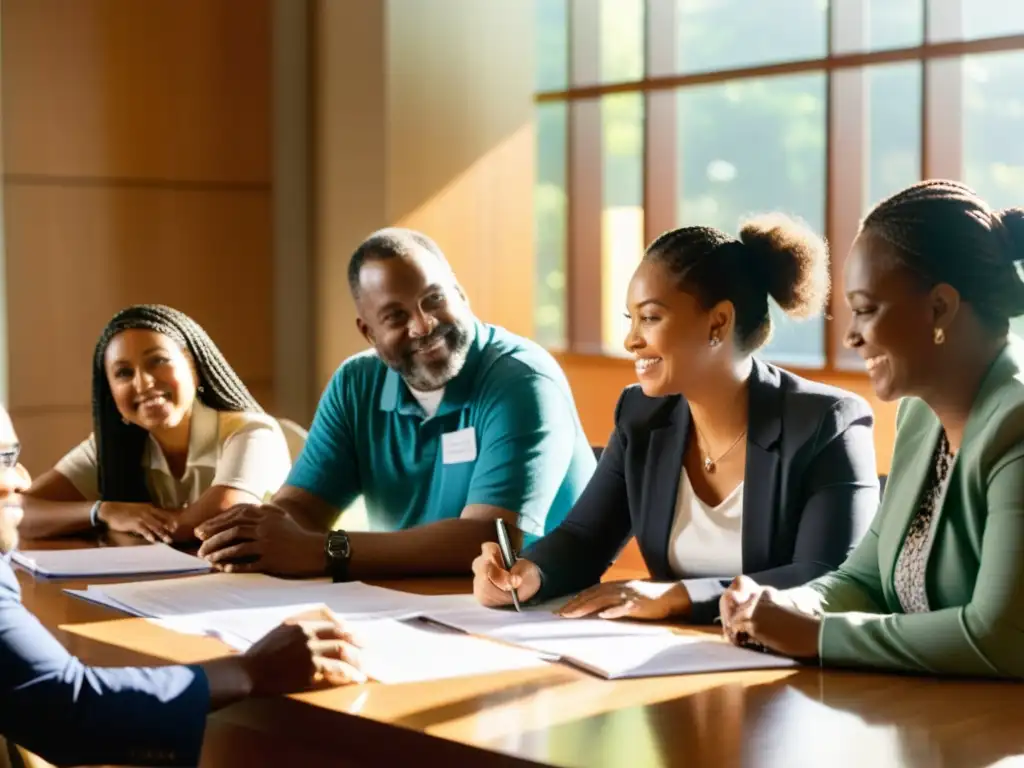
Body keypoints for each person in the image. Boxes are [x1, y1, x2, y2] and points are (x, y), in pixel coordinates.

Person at [472, 214, 879, 624]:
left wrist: (677, 596)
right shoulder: (642, 415)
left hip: (782, 667)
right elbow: (585, 538)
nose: (631, 340)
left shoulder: (829, 422)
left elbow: (826, 578)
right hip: (668, 656)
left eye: (649, 317)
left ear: (718, 322)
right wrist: (530, 574)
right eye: (629, 319)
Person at [719, 180, 1024, 679]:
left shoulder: (1016, 422)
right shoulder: (921, 415)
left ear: (940, 308)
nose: (851, 335)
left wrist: (816, 636)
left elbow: (1001, 638)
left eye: (865, 309)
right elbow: (867, 578)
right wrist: (781, 607)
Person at [194, 228, 595, 580]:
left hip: (532, 607)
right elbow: (303, 507)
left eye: (434, 299)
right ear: (368, 332)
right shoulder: (356, 383)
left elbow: (489, 541)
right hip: (400, 599)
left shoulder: (522, 379)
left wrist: (324, 551)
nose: (423, 325)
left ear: (460, 294)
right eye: (395, 316)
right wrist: (262, 535)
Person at [0, 403, 364, 766]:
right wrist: (332, 549)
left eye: (12, 457)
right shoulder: (354, 386)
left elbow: (278, 524)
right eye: (123, 372)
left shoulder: (254, 429)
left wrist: (326, 548)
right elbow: (293, 515)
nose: (20, 479)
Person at [19, 304, 292, 544]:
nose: (144, 383)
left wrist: (138, 520)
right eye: (124, 373)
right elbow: (17, 513)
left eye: (158, 361)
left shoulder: (252, 432)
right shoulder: (113, 446)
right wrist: (104, 511)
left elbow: (219, 516)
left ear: (194, 368)